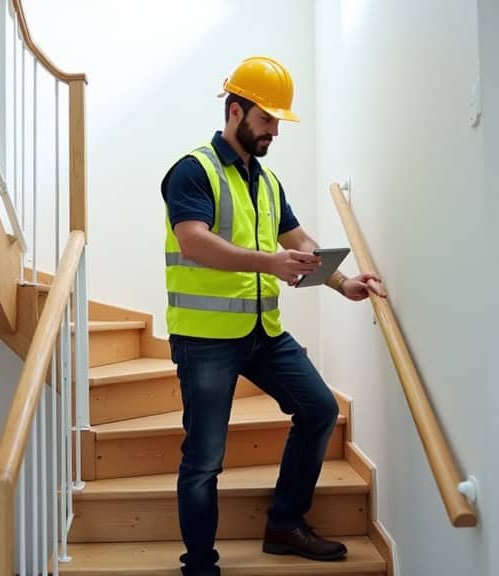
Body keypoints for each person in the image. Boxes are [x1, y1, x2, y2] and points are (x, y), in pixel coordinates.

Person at [161, 56, 388, 576]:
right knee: (203, 461)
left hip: (264, 330)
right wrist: (270, 262)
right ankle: (199, 565)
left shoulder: (265, 180)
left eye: (279, 122)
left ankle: (285, 524)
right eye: (267, 119)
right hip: (206, 338)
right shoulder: (193, 170)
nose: (274, 131)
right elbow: (193, 242)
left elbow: (296, 241)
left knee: (319, 410)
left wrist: (340, 281)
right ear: (235, 110)